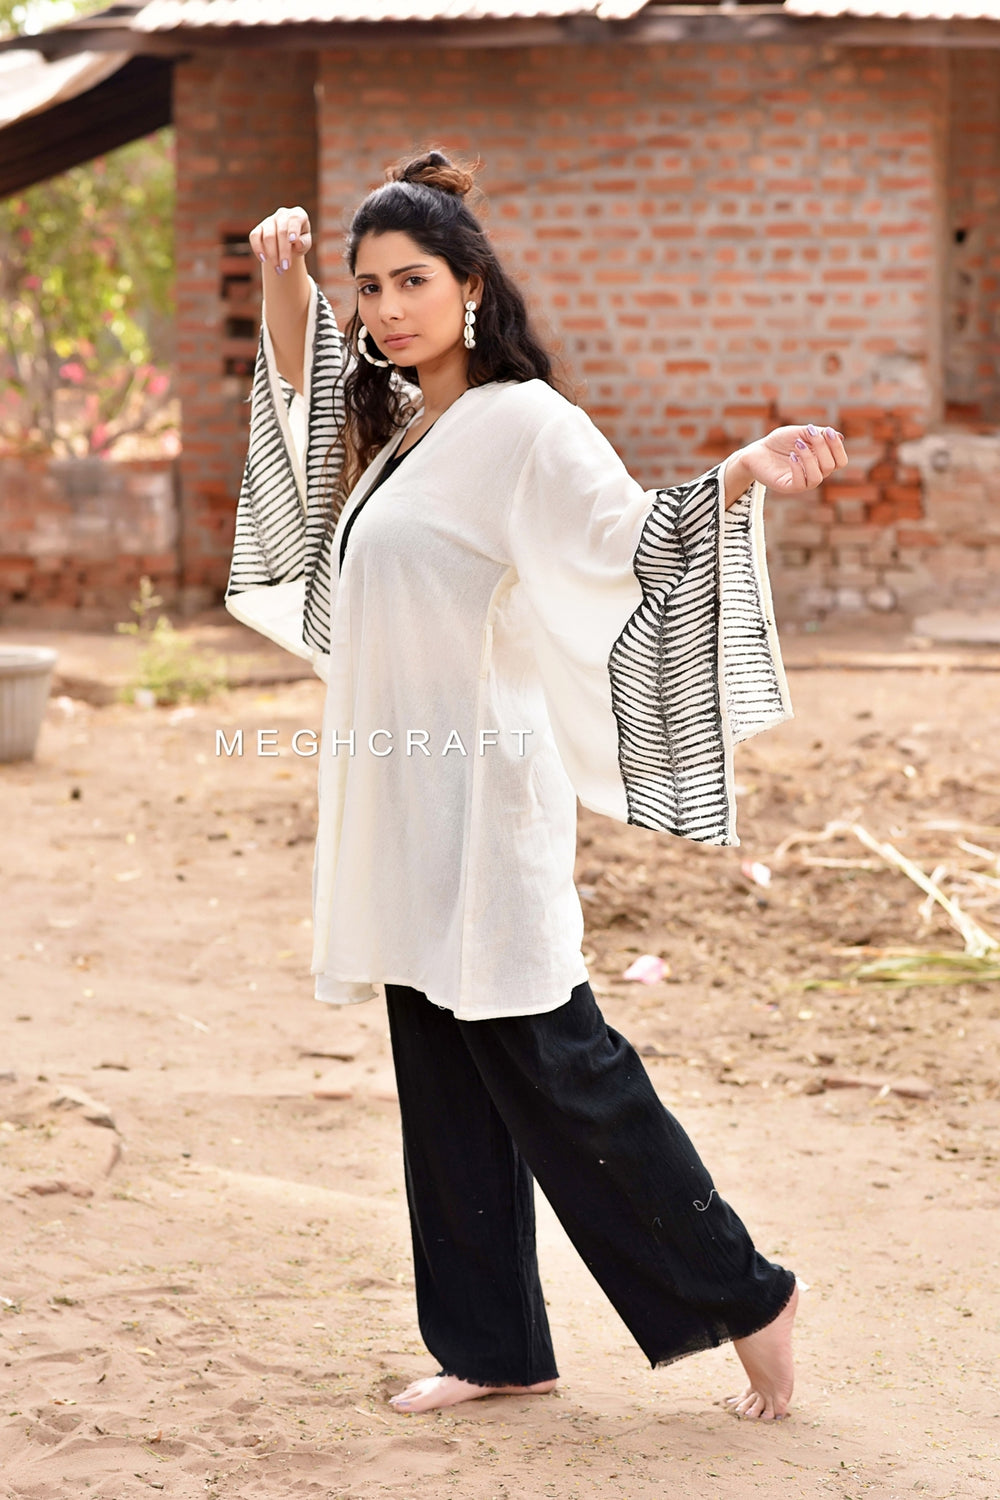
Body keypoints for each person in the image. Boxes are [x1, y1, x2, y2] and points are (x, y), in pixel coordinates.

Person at [227, 149, 847, 1424]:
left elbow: (629, 539)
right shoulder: (406, 425)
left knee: (558, 1065)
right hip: (403, 799)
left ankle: (749, 1294)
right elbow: (296, 402)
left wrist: (739, 472)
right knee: (442, 1072)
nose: (388, 308)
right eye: (368, 288)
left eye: (412, 281)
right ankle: (493, 1344)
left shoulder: (523, 423)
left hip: (486, 798)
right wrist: (283, 275)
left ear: (471, 286)